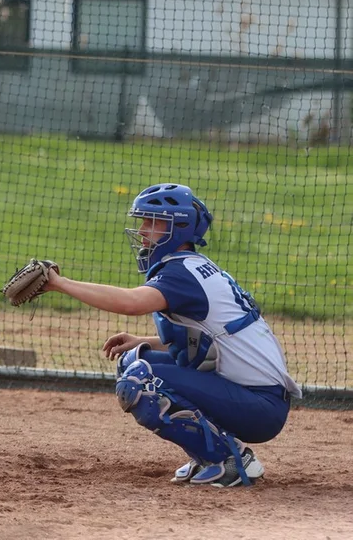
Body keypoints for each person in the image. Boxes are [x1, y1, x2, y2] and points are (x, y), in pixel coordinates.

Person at [43, 183, 301, 487]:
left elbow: (131, 303)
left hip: (258, 406)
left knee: (140, 380)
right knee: (135, 359)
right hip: (251, 397)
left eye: (153, 222)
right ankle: (207, 454)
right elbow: (207, 339)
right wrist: (145, 341)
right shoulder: (192, 268)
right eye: (143, 220)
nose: (142, 230)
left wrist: (60, 283)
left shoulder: (182, 273)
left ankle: (230, 460)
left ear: (178, 228)